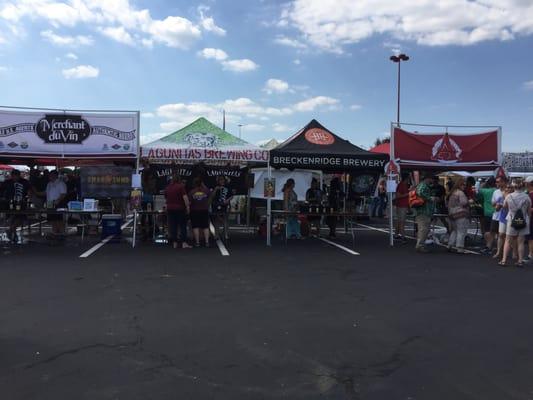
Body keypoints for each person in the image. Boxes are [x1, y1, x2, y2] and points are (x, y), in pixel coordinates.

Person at [500, 179, 532, 267]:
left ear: (513, 187)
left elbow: (504, 207)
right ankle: (520, 260)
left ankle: (504, 260)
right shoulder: (526, 197)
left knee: (508, 240)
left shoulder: (509, 196)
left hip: (511, 219)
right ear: (522, 187)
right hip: (524, 220)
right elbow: (529, 211)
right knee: (521, 241)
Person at [165, 174, 191, 249]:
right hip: (180, 208)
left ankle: (174, 243)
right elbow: (185, 197)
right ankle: (184, 243)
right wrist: (187, 206)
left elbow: (166, 198)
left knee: (173, 226)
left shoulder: (168, 188)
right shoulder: (181, 187)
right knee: (182, 225)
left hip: (170, 208)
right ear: (179, 179)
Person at [4, 169, 31, 243]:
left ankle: (11, 229)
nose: (15, 178)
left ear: (19, 176)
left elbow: (29, 191)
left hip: (21, 203)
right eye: (14, 176)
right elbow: (2, 190)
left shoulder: (25, 182)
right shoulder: (7, 182)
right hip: (10, 203)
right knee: (12, 217)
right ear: (12, 176)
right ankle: (13, 232)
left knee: (20, 217)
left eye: (17, 176)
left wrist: (28, 197)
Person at [413, 174, 436, 253]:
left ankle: (420, 245)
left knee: (423, 229)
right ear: (428, 178)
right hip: (424, 211)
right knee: (424, 229)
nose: (433, 181)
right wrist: (430, 198)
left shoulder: (422, 185)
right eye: (432, 179)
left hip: (423, 211)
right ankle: (420, 245)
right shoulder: (423, 185)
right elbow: (420, 192)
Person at [446, 177, 470, 253]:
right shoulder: (460, 193)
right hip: (460, 214)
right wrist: (470, 201)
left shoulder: (452, 192)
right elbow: (464, 203)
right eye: (463, 185)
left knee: (455, 230)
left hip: (452, 213)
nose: (464, 186)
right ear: (460, 185)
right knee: (461, 231)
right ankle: (460, 247)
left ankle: (450, 244)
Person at [188, 176, 211, 247]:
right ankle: (207, 242)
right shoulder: (206, 190)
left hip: (194, 210)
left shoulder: (192, 192)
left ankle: (197, 242)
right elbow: (210, 195)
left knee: (195, 226)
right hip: (204, 210)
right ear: (201, 183)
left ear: (194, 183)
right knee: (205, 226)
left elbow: (189, 202)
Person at [477, 177, 497, 253]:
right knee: (495, 231)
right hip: (496, 213)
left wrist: (484, 184)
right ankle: (493, 246)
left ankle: (488, 246)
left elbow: (478, 195)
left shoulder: (484, 191)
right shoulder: (497, 191)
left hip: (487, 213)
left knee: (487, 231)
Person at [210, 176, 233, 241]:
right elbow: (211, 196)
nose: (221, 181)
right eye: (220, 180)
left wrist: (227, 200)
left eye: (222, 180)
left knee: (225, 219)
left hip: (224, 205)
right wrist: (215, 189)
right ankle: (216, 235)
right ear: (218, 181)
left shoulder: (228, 187)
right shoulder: (215, 186)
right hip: (216, 205)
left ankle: (226, 235)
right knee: (216, 220)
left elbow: (231, 196)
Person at [45, 170, 67, 238]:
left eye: (51, 175)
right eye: (49, 175)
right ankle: (54, 233)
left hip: (59, 203)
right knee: (52, 219)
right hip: (49, 203)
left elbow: (63, 194)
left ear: (55, 175)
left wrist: (58, 200)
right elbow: (46, 193)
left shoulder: (61, 183)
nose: (49, 176)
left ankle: (62, 233)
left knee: (59, 219)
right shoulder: (49, 183)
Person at [491, 176, 508, 259]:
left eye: (498, 182)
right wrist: (496, 205)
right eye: (496, 182)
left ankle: (506, 251)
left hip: (506, 216)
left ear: (504, 182)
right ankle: (499, 251)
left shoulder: (508, 191)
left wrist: (502, 205)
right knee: (499, 235)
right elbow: (493, 203)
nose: (497, 183)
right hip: (496, 215)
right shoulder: (496, 192)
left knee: (505, 235)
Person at [141, 163, 158, 241]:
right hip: (150, 198)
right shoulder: (152, 181)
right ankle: (151, 230)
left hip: (144, 198)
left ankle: (144, 231)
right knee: (150, 215)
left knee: (144, 215)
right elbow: (154, 189)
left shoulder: (143, 180)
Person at [394, 172, 410, 242]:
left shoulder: (404, 185)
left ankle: (396, 235)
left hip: (402, 205)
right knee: (402, 221)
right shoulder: (401, 185)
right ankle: (403, 236)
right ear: (406, 178)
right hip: (401, 205)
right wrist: (408, 193)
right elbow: (398, 196)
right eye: (409, 178)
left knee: (399, 221)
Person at [526, 176, 533, 262]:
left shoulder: (530, 195)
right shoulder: (528, 194)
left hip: (531, 218)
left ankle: (530, 254)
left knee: (531, 237)